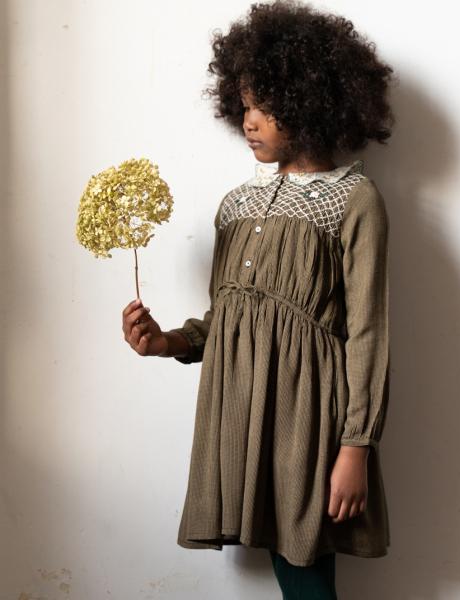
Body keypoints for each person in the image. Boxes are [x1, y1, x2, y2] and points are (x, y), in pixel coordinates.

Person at [121, 1, 395, 597]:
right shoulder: (236, 205)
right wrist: (167, 342)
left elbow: (368, 332)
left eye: (264, 106)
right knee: (288, 567)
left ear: (309, 102)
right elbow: (226, 315)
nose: (249, 121)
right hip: (238, 407)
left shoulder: (353, 200)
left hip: (308, 415)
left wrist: (356, 447)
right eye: (244, 105)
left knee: (305, 567)